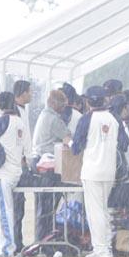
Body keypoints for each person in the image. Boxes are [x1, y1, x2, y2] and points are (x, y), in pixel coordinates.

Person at [70, 86, 129, 257]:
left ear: (88, 101)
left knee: (95, 211)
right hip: (109, 171)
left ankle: (101, 249)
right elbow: (124, 144)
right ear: (105, 100)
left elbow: (76, 148)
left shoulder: (86, 119)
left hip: (92, 170)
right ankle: (106, 246)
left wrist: (71, 142)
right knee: (103, 209)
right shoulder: (114, 118)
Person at [0, 92, 31, 257]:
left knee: (4, 212)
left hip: (4, 173)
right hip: (17, 171)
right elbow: (27, 150)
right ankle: (8, 245)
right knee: (9, 211)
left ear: (0, 105)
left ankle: (7, 249)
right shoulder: (20, 122)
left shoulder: (1, 122)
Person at [31, 89, 72, 243]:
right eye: (63, 105)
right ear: (54, 103)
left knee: (42, 207)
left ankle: (41, 239)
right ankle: (46, 241)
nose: (64, 108)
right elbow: (67, 138)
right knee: (48, 207)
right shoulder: (54, 119)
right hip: (48, 165)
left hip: (39, 163)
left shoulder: (44, 115)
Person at [12, 80, 32, 254]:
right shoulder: (14, 112)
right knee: (16, 206)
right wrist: (23, 160)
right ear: (23, 93)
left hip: (23, 163)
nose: (31, 95)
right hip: (17, 164)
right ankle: (14, 243)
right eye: (30, 92)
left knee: (20, 206)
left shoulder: (23, 110)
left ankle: (18, 242)